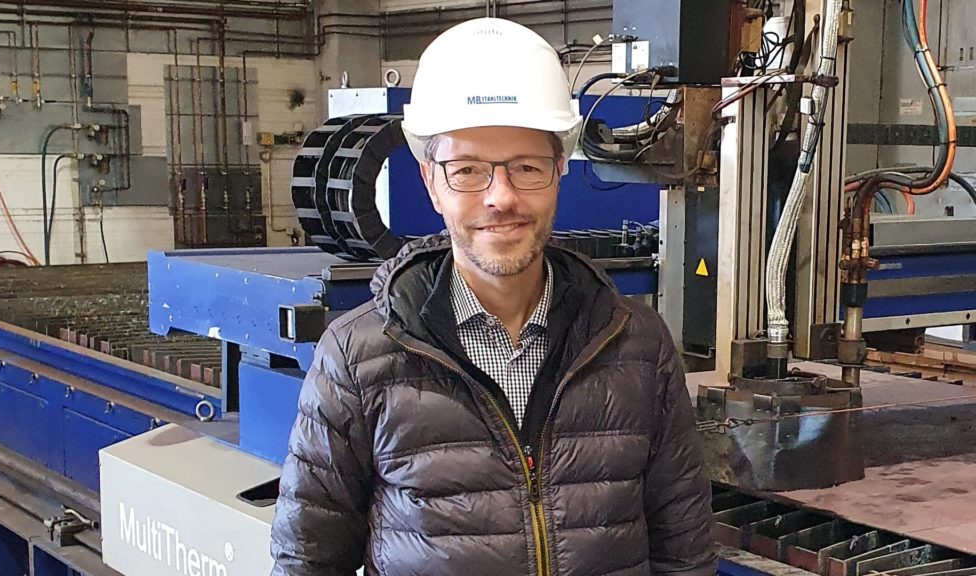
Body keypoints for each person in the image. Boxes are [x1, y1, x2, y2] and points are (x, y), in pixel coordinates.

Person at [270, 17, 715, 576]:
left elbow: (685, 555)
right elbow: (307, 562)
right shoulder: (357, 359)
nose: (500, 197)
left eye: (526, 167)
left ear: (559, 171)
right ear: (431, 182)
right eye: (468, 170)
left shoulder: (639, 346)